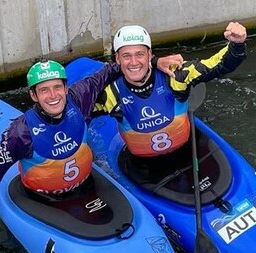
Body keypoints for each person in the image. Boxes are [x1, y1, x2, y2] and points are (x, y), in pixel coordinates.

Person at [0, 55, 183, 237]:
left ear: (66, 88)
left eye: (57, 88)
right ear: (33, 95)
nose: (53, 96)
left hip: (86, 187)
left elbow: (113, 70)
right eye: (44, 91)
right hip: (44, 202)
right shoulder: (20, 133)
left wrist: (154, 61)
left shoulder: (80, 96)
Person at [92, 22, 247, 197]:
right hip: (144, 171)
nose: (134, 62)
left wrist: (237, 44)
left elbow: (220, 65)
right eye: (126, 56)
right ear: (117, 59)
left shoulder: (175, 76)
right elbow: (73, 112)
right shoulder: (110, 93)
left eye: (140, 54)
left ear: (150, 55)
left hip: (188, 154)